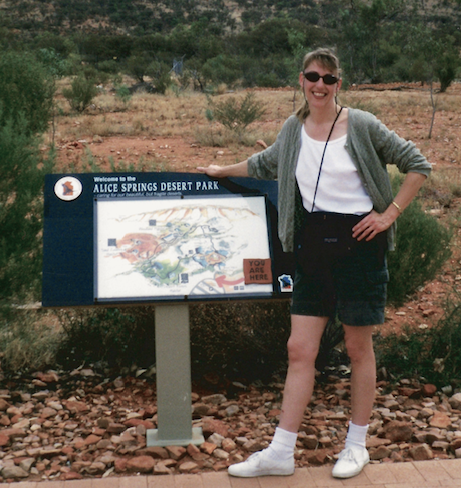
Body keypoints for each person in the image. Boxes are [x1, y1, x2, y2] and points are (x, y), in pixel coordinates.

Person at [197, 47, 431, 480]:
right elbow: (265, 163)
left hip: (360, 244)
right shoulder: (293, 127)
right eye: (312, 76)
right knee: (299, 349)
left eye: (329, 78)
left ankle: (356, 446)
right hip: (312, 247)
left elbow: (417, 164)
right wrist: (219, 169)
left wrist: (389, 214)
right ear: (301, 80)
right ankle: (280, 452)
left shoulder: (361, 125)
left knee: (358, 348)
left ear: (339, 84)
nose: (320, 85)